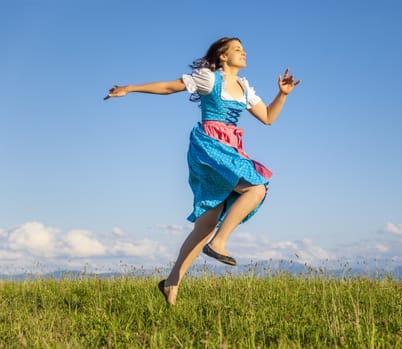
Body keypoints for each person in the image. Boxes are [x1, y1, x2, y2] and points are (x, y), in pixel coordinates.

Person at [104, 37, 300, 306]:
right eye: (237, 49)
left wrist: (283, 95)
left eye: (244, 49)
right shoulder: (209, 78)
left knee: (205, 224)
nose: (244, 53)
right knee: (256, 187)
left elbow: (267, 117)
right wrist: (130, 88)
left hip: (231, 148)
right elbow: (169, 87)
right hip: (209, 146)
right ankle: (218, 243)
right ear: (222, 56)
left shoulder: (244, 87)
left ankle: (171, 283)